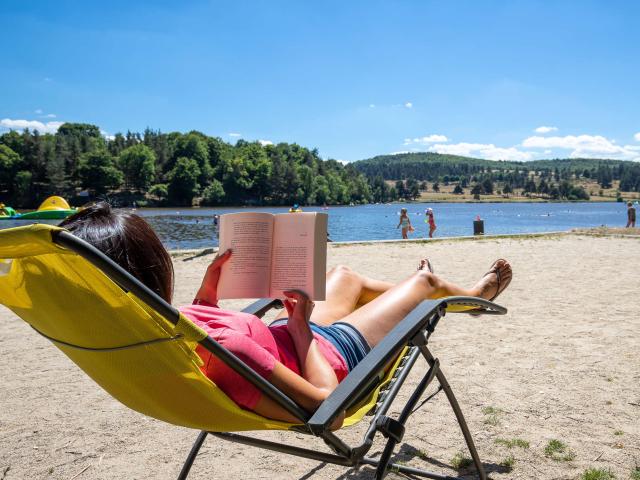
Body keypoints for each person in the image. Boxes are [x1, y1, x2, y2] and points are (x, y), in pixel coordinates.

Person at [59, 202, 512, 428]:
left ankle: (420, 295)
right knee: (426, 285)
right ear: (154, 269)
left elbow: (209, 339)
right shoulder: (226, 347)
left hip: (294, 336)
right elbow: (327, 406)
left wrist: (209, 294)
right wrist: (300, 330)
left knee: (343, 273)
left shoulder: (149, 333)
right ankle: (465, 295)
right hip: (329, 353)